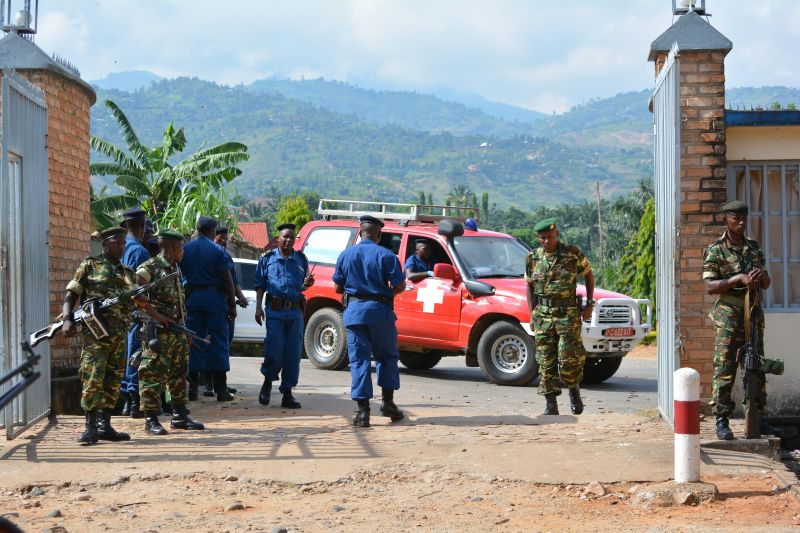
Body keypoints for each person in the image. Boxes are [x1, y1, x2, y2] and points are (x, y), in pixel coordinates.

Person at [702, 200, 780, 440]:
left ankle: (757, 417)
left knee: (757, 366)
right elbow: (710, 286)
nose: (741, 222)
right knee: (725, 367)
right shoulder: (716, 249)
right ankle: (722, 420)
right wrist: (737, 279)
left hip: (753, 314)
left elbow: (767, 283)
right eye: (736, 218)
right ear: (726, 218)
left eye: (744, 217)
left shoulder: (754, 248)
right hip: (729, 315)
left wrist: (761, 276)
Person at [62, 227, 136, 445]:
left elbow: (137, 302)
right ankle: (90, 428)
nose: (121, 247)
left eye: (123, 243)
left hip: (119, 336)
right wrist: (67, 319)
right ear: (105, 244)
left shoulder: (128, 273)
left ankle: (105, 426)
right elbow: (71, 294)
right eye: (116, 243)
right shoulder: (90, 265)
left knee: (112, 381)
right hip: (95, 336)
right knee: (93, 379)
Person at [332, 215, 406, 427]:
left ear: (360, 233)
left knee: (359, 360)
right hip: (380, 312)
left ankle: (363, 412)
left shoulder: (345, 255)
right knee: (386, 357)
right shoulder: (387, 255)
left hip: (354, 313)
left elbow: (337, 288)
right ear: (378, 234)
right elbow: (399, 286)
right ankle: (388, 403)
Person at [135, 229, 205, 435]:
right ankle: (151, 419)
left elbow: (180, 303)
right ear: (172, 247)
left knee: (178, 373)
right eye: (181, 247)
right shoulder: (150, 267)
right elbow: (136, 294)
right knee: (151, 373)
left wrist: (185, 331)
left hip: (176, 332)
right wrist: (156, 315)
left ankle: (180, 416)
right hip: (157, 332)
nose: (183, 251)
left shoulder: (175, 268)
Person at [525, 218, 594, 416]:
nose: (548, 241)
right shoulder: (532, 257)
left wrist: (590, 303)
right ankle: (550, 404)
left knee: (568, 358)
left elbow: (588, 275)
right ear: (538, 238)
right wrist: (532, 313)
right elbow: (528, 285)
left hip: (568, 315)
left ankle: (574, 392)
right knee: (545, 360)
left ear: (557, 235)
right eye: (543, 238)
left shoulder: (572, 254)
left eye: (551, 237)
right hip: (543, 316)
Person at [254, 223, 314, 408]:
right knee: (274, 349)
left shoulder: (301, 259)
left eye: (291, 237)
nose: (288, 240)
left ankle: (287, 393)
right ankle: (267, 382)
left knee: (292, 353)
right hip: (275, 311)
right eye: (285, 236)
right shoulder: (267, 258)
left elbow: (301, 286)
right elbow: (260, 285)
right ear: (278, 238)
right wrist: (258, 308)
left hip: (295, 312)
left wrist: (307, 284)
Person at [180, 216, 237, 402]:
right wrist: (232, 305)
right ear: (212, 230)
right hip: (214, 299)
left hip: (192, 299)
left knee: (195, 341)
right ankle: (221, 389)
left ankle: (193, 389)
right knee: (219, 342)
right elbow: (228, 280)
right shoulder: (217, 250)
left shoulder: (185, 249)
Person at [201, 225, 248, 398]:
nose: (223, 241)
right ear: (213, 237)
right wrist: (233, 305)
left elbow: (233, 282)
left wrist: (241, 298)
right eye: (219, 238)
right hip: (215, 305)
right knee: (209, 344)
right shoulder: (209, 255)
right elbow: (227, 282)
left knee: (223, 345)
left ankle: (222, 384)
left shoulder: (226, 256)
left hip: (223, 304)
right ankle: (208, 384)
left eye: (225, 239)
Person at [120, 207, 151, 419]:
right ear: (142, 227)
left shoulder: (119, 247)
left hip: (120, 310)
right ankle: (134, 401)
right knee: (136, 353)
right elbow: (142, 286)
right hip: (136, 310)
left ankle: (126, 402)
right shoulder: (140, 252)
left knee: (126, 353)